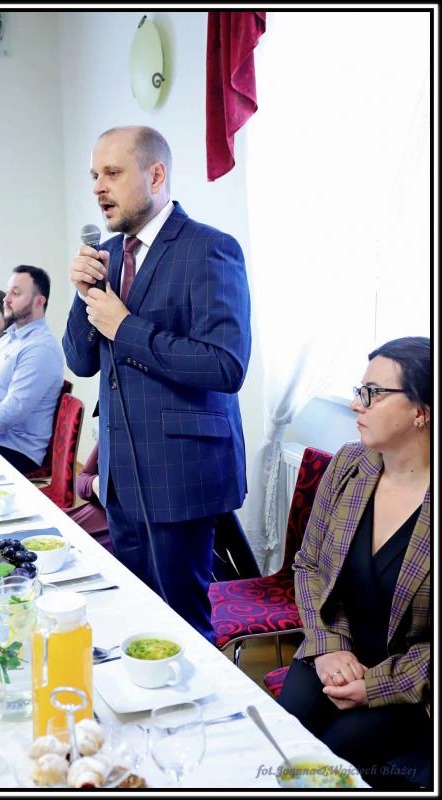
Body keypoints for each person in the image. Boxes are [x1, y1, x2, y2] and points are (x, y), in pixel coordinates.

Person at [62, 125, 251, 642]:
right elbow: (80, 361)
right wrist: (83, 292)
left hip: (182, 474)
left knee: (183, 629)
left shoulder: (210, 248)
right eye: (95, 175)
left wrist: (126, 328)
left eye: (113, 173)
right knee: (139, 623)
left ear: (156, 174)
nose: (98, 187)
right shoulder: (107, 255)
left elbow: (226, 366)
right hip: (120, 478)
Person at [278, 336, 431, 789]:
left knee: (326, 767)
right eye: (359, 390)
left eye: (372, 393)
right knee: (281, 745)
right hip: (334, 646)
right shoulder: (350, 464)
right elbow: (308, 566)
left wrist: (377, 686)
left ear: (421, 411)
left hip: (409, 682)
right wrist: (328, 646)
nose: (355, 404)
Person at [0, 265, 64, 473]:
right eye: (8, 292)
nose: (6, 299)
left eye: (16, 293)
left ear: (39, 302)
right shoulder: (7, 340)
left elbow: (15, 408)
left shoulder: (41, 348)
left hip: (15, 451)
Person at [65, 443, 113, 554]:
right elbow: (82, 480)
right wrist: (95, 483)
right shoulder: (114, 432)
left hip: (118, 536)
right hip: (89, 515)